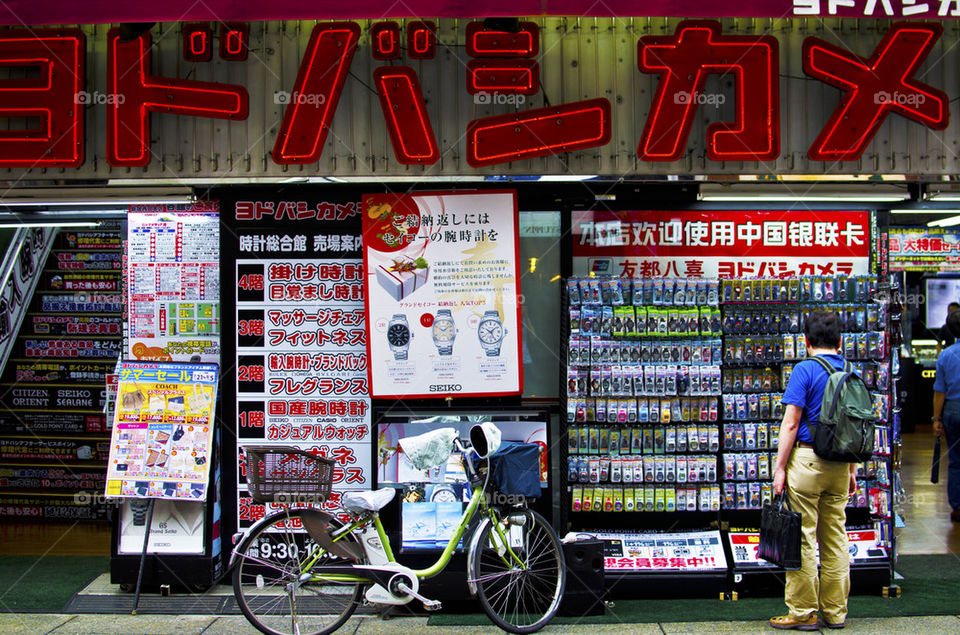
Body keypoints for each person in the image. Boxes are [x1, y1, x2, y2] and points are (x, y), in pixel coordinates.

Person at [770, 310, 857, 631]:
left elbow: (791, 423)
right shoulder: (851, 370)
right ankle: (836, 612)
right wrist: (851, 472)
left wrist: (779, 468)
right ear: (841, 341)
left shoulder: (804, 370)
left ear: (805, 341)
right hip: (840, 464)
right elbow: (853, 425)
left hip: (807, 461)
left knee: (802, 538)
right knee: (835, 539)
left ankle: (803, 612)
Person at [932, 309, 960, 523]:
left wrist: (936, 419)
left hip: (952, 409)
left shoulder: (945, 355)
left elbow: (939, 391)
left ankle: (958, 508)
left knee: (955, 461)